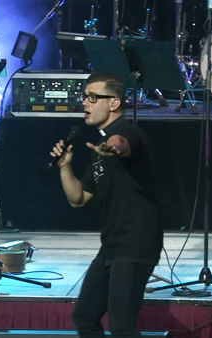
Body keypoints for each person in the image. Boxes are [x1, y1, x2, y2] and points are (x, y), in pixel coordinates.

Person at [50, 73, 163, 337]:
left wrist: (113, 148)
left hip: (136, 242)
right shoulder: (97, 147)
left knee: (122, 326)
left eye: (93, 97)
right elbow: (78, 198)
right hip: (111, 244)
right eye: (84, 97)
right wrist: (65, 167)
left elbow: (121, 145)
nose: (85, 103)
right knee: (84, 317)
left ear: (114, 103)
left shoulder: (127, 133)